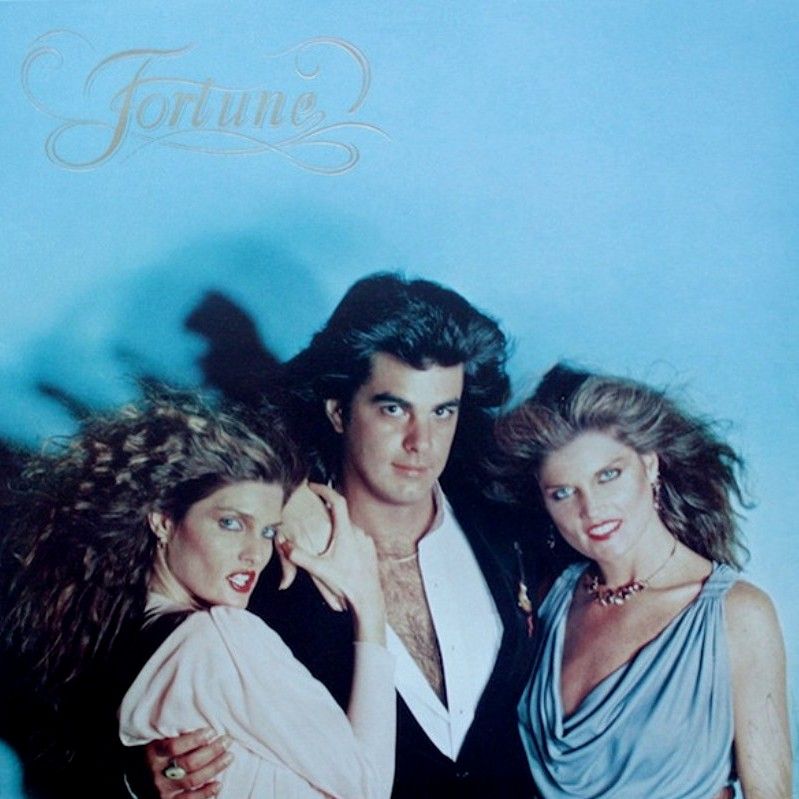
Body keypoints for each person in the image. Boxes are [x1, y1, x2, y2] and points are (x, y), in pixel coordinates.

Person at [147, 273, 542, 798]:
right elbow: (143, 689)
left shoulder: (502, 520)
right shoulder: (265, 568)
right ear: (338, 411)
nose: (421, 442)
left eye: (442, 411)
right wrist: (147, 777)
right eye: (394, 408)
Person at [0, 391, 395, 799]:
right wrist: (371, 606)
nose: (255, 554)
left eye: (267, 531)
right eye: (230, 523)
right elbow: (368, 788)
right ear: (163, 521)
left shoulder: (127, 639)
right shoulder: (221, 636)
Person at [494, 363, 792, 799]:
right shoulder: (551, 598)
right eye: (563, 492)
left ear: (650, 465)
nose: (591, 508)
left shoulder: (737, 615)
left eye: (608, 475)